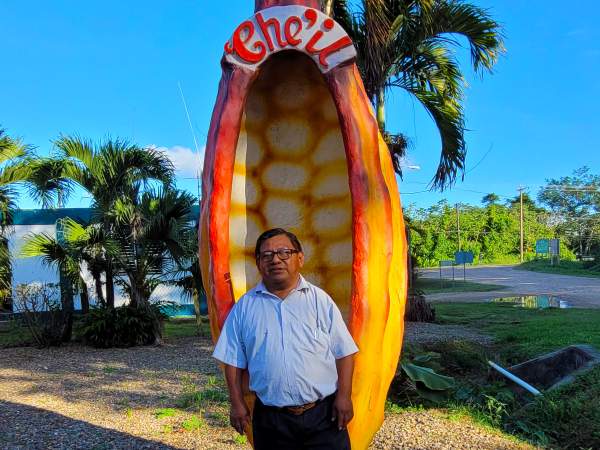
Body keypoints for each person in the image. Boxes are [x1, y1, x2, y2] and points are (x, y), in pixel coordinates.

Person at [213, 228, 358, 449]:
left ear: (299, 258)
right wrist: (236, 403)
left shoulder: (320, 301)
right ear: (259, 263)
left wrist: (344, 396)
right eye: (267, 255)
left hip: (324, 415)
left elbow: (344, 352)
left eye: (284, 252)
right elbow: (232, 360)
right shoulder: (245, 307)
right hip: (271, 421)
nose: (276, 260)